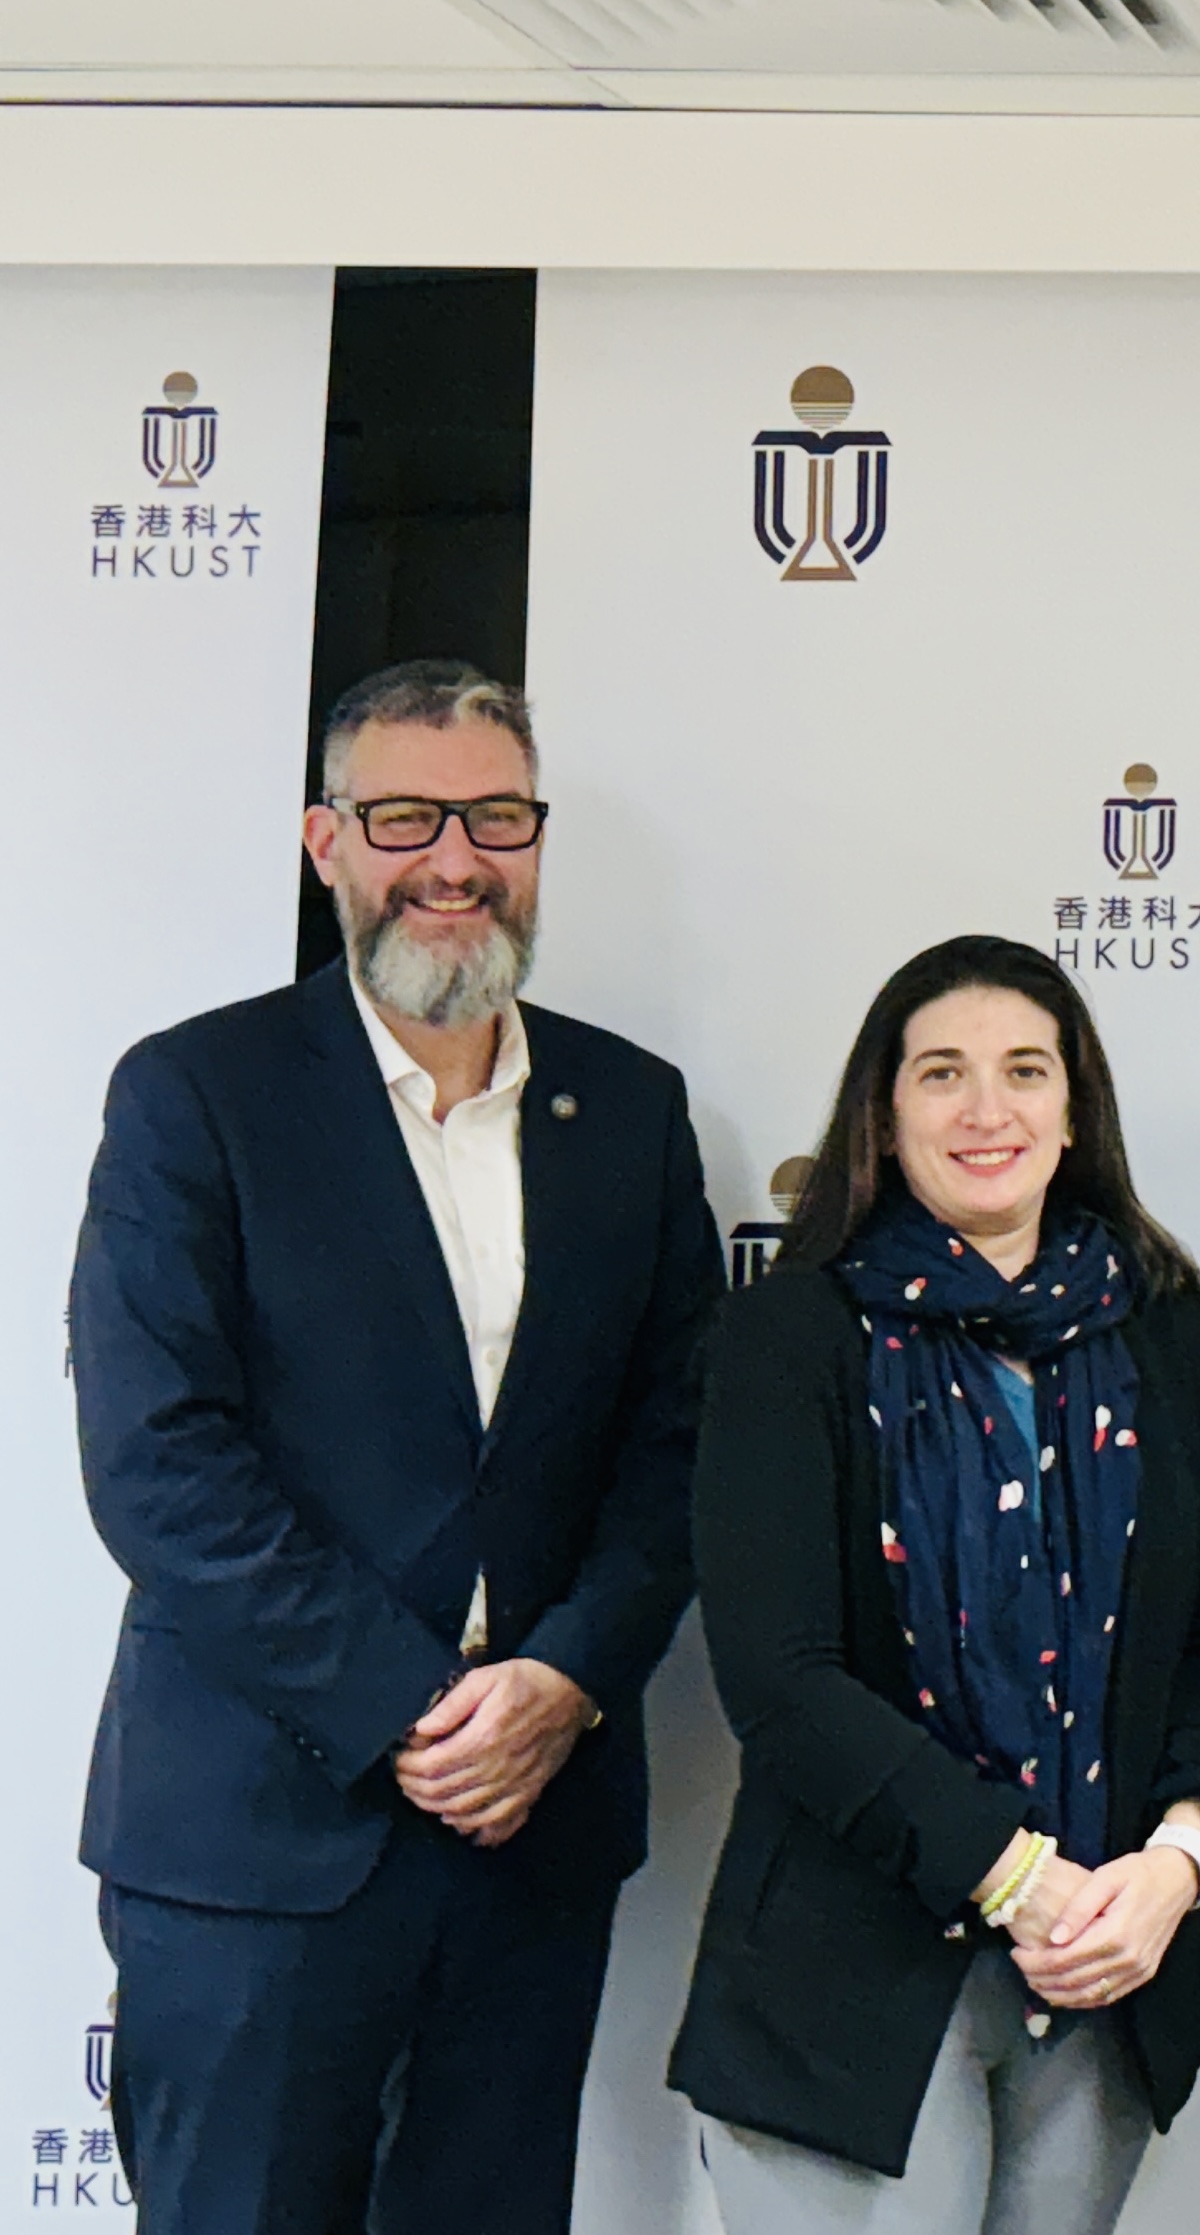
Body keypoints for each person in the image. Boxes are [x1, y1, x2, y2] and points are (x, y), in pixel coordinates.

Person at [72, 660, 718, 2234]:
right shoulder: (197, 1096)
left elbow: (683, 1444)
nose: (453, 859)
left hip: (534, 1828)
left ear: (536, 837)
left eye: (495, 814)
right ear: (325, 841)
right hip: (259, 1836)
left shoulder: (628, 1109)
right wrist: (416, 1707)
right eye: (405, 815)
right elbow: (160, 1459)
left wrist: (563, 1679)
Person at [668, 936, 1200, 2234]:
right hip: (850, 1988)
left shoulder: (1158, 1322)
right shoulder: (793, 1332)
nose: (986, 1108)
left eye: (1023, 1069)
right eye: (941, 1071)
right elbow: (779, 1678)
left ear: (1073, 1107)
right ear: (884, 1112)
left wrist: (1174, 1860)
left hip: (1106, 1978)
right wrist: (1017, 1874)